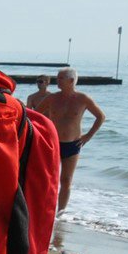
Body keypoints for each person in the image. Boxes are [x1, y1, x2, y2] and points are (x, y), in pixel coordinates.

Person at [37, 67, 106, 212]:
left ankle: (60, 213)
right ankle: (46, 209)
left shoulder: (83, 99)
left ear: (71, 80)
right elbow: (35, 114)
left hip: (73, 144)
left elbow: (101, 117)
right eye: (58, 77)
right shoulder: (52, 98)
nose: (57, 81)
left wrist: (88, 136)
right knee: (49, 179)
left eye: (61, 78)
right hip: (53, 143)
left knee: (66, 180)